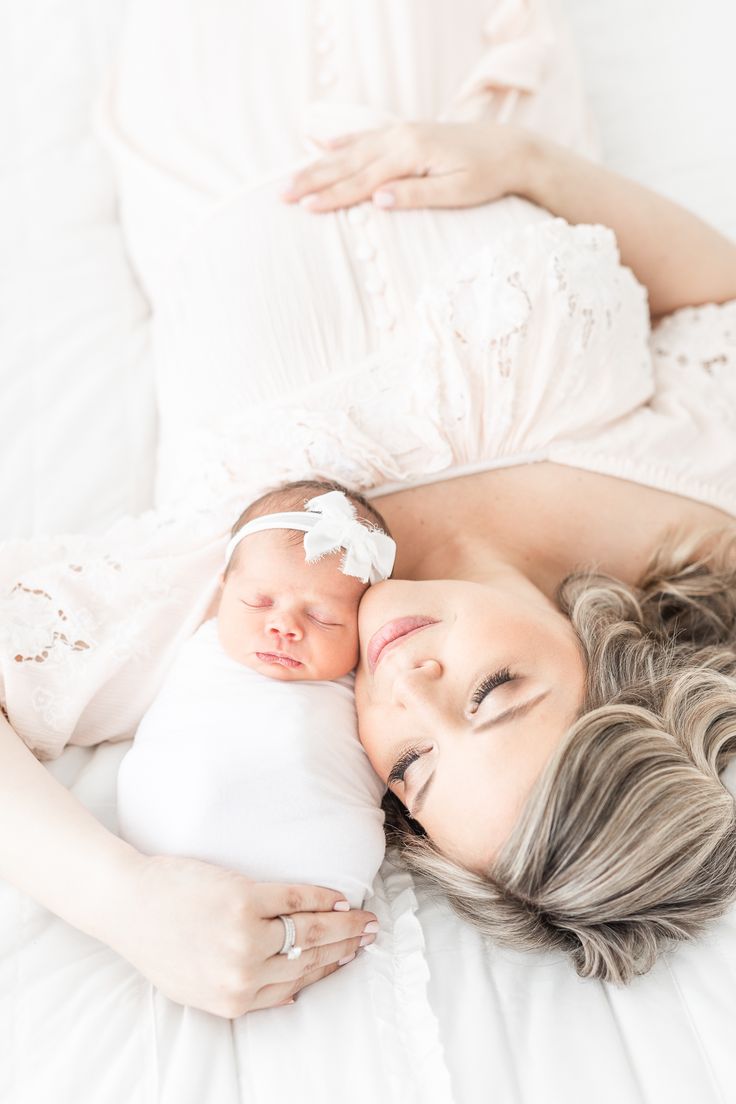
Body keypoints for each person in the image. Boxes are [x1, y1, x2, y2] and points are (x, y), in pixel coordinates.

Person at [2, 5, 736, 1020]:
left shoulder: (257, 598)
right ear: (613, 665)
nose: (406, 686)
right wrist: (529, 164)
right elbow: (720, 293)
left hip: (217, 68)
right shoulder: (686, 511)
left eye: (412, 765)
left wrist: (122, 901)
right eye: (492, 695)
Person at [116, 482, 394, 927]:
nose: (284, 626)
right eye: (258, 601)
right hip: (166, 863)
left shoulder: (365, 677)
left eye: (322, 617)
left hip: (317, 870)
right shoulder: (198, 644)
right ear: (225, 588)